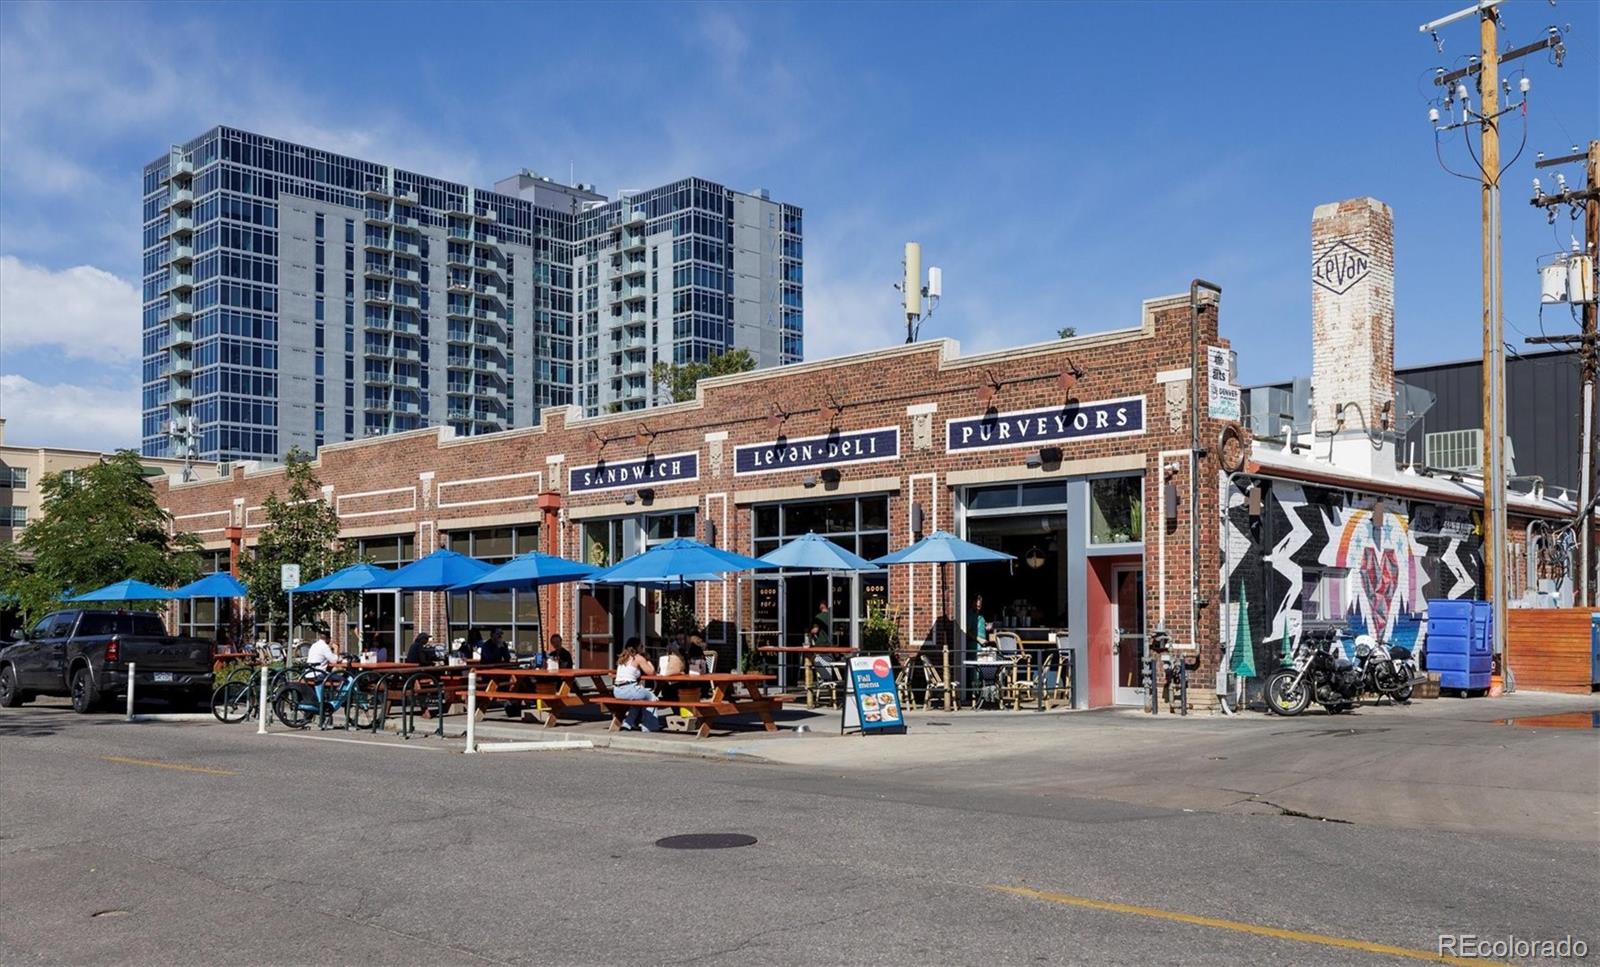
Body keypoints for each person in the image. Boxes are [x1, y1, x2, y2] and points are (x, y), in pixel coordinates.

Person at [612, 638, 662, 732]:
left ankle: (628, 723)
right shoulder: (638, 658)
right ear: (636, 648)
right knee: (652, 697)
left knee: (639, 699)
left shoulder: (623, 657)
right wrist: (648, 660)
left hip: (617, 691)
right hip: (629, 689)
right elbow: (651, 672)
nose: (643, 648)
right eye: (641, 646)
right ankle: (649, 726)